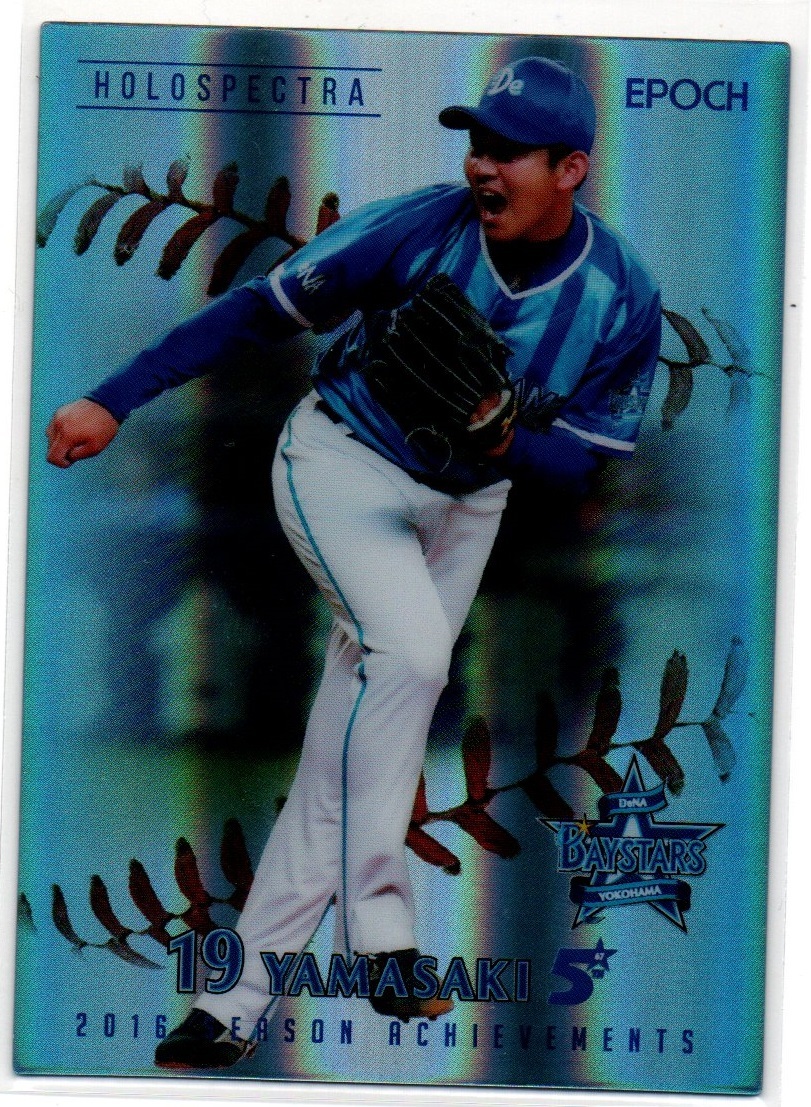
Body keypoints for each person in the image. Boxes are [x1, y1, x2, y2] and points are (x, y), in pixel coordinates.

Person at [45, 57, 661, 1069]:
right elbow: (260, 311)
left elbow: (586, 465)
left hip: (470, 503)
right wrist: (113, 398)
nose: (483, 165)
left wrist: (505, 438)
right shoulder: (414, 228)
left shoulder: (620, 293)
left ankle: (231, 1005)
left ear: (570, 168)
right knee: (412, 656)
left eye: (510, 151)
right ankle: (383, 943)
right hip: (343, 462)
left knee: (349, 743)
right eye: (477, 143)